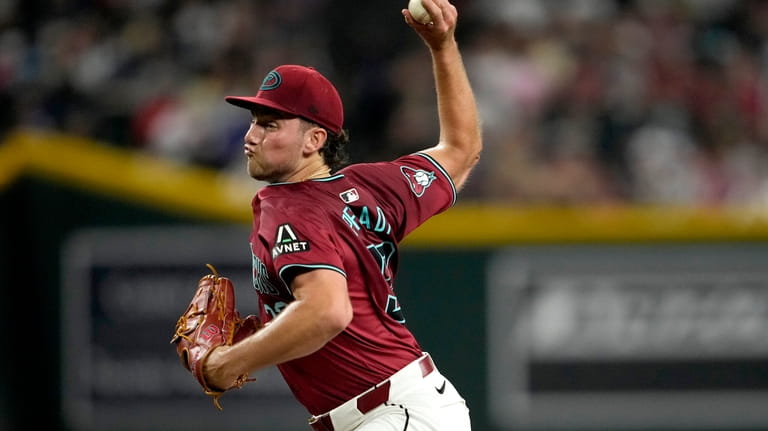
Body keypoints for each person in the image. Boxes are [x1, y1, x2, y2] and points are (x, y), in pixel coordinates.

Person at [203, 0, 481, 429]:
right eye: (255, 121)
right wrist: (442, 47)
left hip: (390, 414)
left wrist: (226, 364)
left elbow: (327, 312)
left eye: (270, 125)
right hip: (409, 406)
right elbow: (461, 149)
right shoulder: (373, 186)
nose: (252, 135)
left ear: (315, 139)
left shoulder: (290, 208)